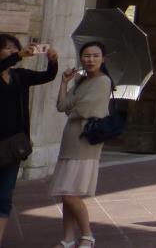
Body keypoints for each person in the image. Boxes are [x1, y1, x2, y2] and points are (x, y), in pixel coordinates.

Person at [49, 42, 112, 248]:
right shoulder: (81, 81)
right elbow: (62, 106)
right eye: (86, 55)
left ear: (103, 58)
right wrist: (65, 82)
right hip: (69, 141)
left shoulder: (103, 81)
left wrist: (73, 109)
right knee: (66, 193)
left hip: (85, 143)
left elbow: (85, 110)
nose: (90, 59)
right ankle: (67, 238)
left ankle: (87, 235)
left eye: (95, 55)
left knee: (70, 194)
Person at [0, 35, 58, 247]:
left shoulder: (20, 76)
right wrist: (18, 56)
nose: (13, 51)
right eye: (7, 48)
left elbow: (48, 77)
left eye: (15, 48)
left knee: (4, 196)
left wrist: (53, 61)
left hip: (14, 145)